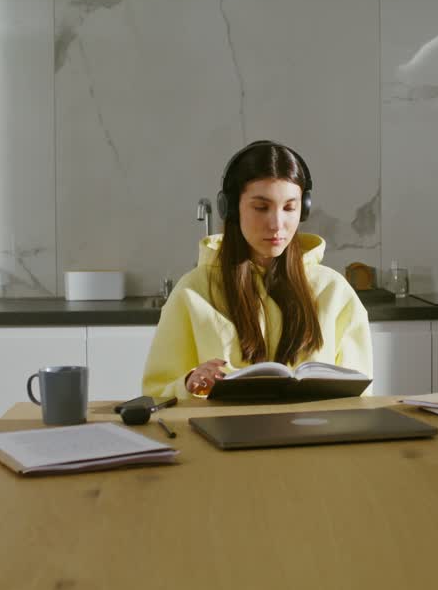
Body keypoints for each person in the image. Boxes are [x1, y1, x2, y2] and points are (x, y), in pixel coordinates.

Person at [141, 140, 373, 399]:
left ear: (303, 209)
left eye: (289, 208)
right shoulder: (192, 292)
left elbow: (360, 396)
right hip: (221, 436)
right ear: (231, 209)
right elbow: (156, 394)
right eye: (261, 208)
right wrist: (187, 384)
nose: (277, 224)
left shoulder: (335, 291)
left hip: (314, 435)